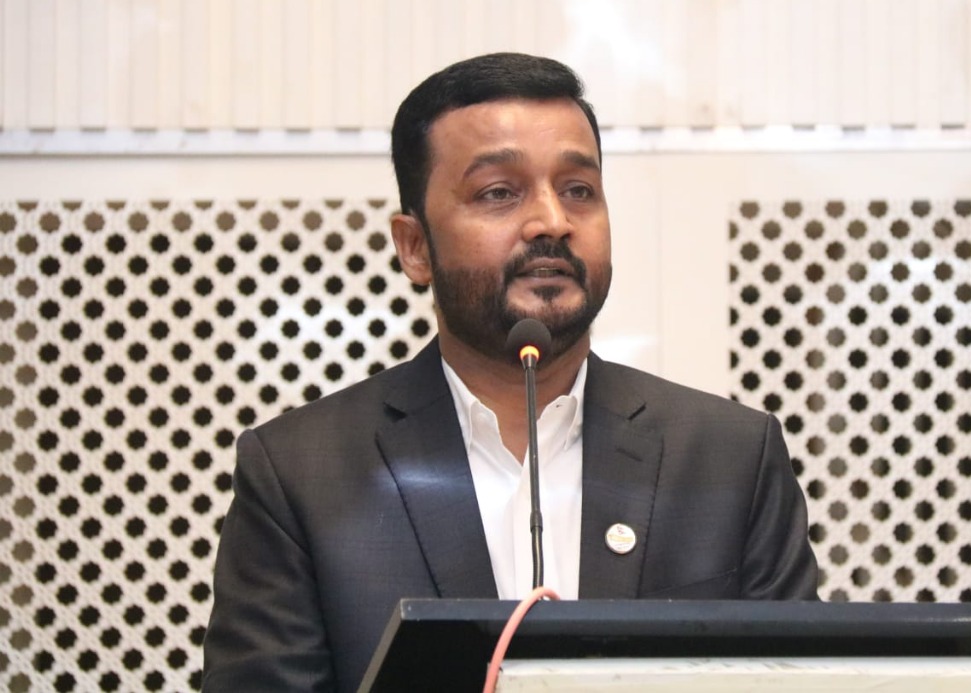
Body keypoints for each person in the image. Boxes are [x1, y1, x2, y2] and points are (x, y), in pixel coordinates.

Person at [201, 52, 819, 691]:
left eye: (578, 190)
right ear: (415, 247)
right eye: (499, 193)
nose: (552, 221)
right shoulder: (301, 476)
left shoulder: (729, 456)